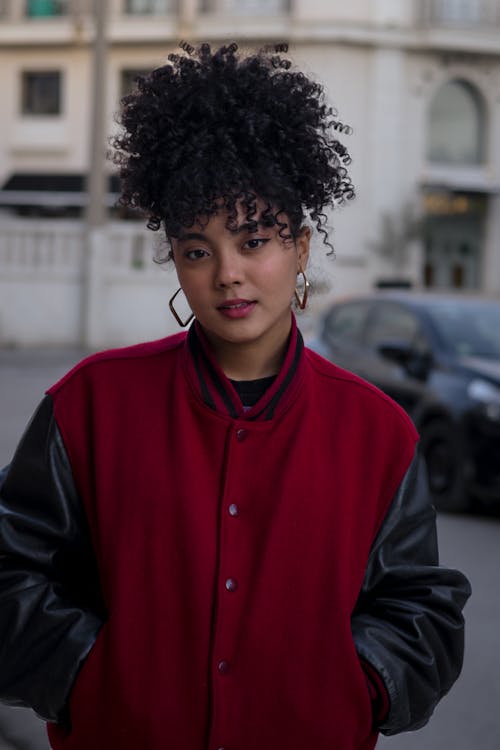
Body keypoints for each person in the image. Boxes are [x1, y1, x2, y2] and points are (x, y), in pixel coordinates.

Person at [0, 42, 470, 750]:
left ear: (303, 249)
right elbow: (10, 568)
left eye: (254, 241)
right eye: (197, 250)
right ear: (176, 261)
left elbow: (424, 609)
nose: (228, 274)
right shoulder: (90, 404)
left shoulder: (378, 432)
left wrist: (359, 683)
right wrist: (90, 674)